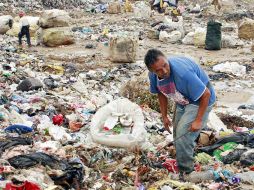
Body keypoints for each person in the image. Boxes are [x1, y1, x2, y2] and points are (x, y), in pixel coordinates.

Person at [144, 49, 216, 179]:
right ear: (152, 71)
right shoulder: (153, 76)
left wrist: (198, 120)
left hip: (200, 100)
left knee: (183, 135)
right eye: (159, 70)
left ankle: (187, 172)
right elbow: (161, 92)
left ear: (166, 59)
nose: (164, 71)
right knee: (177, 133)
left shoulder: (182, 73)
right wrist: (164, 116)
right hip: (182, 99)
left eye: (165, 65)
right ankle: (185, 156)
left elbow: (206, 94)